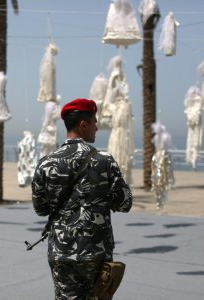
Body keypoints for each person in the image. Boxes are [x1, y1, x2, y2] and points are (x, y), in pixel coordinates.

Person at [31, 98, 133, 299]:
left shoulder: (46, 164)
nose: (97, 127)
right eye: (95, 122)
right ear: (83, 125)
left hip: (61, 251)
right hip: (96, 252)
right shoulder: (104, 161)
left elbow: (41, 209)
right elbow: (125, 202)